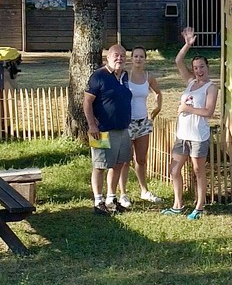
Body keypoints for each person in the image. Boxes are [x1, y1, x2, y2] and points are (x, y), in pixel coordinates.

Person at [163, 27, 217, 219]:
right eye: (195, 68)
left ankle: (199, 207)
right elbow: (178, 61)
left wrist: (188, 110)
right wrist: (187, 45)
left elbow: (208, 112)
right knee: (174, 169)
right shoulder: (190, 82)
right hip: (182, 135)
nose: (198, 71)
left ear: (207, 67)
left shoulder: (211, 88)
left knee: (197, 170)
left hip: (198, 136)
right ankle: (177, 205)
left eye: (202, 67)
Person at [83, 43, 133, 215]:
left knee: (119, 163)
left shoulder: (125, 76)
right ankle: (98, 201)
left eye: (123, 56)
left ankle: (112, 198)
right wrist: (92, 125)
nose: (120, 58)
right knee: (99, 165)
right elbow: (87, 102)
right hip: (101, 130)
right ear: (108, 58)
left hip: (122, 129)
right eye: (116, 56)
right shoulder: (98, 76)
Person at [117, 46, 163, 206]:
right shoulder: (124, 76)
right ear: (131, 58)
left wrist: (156, 110)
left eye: (141, 56)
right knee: (124, 159)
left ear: (145, 59)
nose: (138, 59)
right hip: (127, 122)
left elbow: (158, 93)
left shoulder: (148, 77)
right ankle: (123, 194)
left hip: (143, 121)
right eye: (135, 56)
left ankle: (144, 190)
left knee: (141, 159)